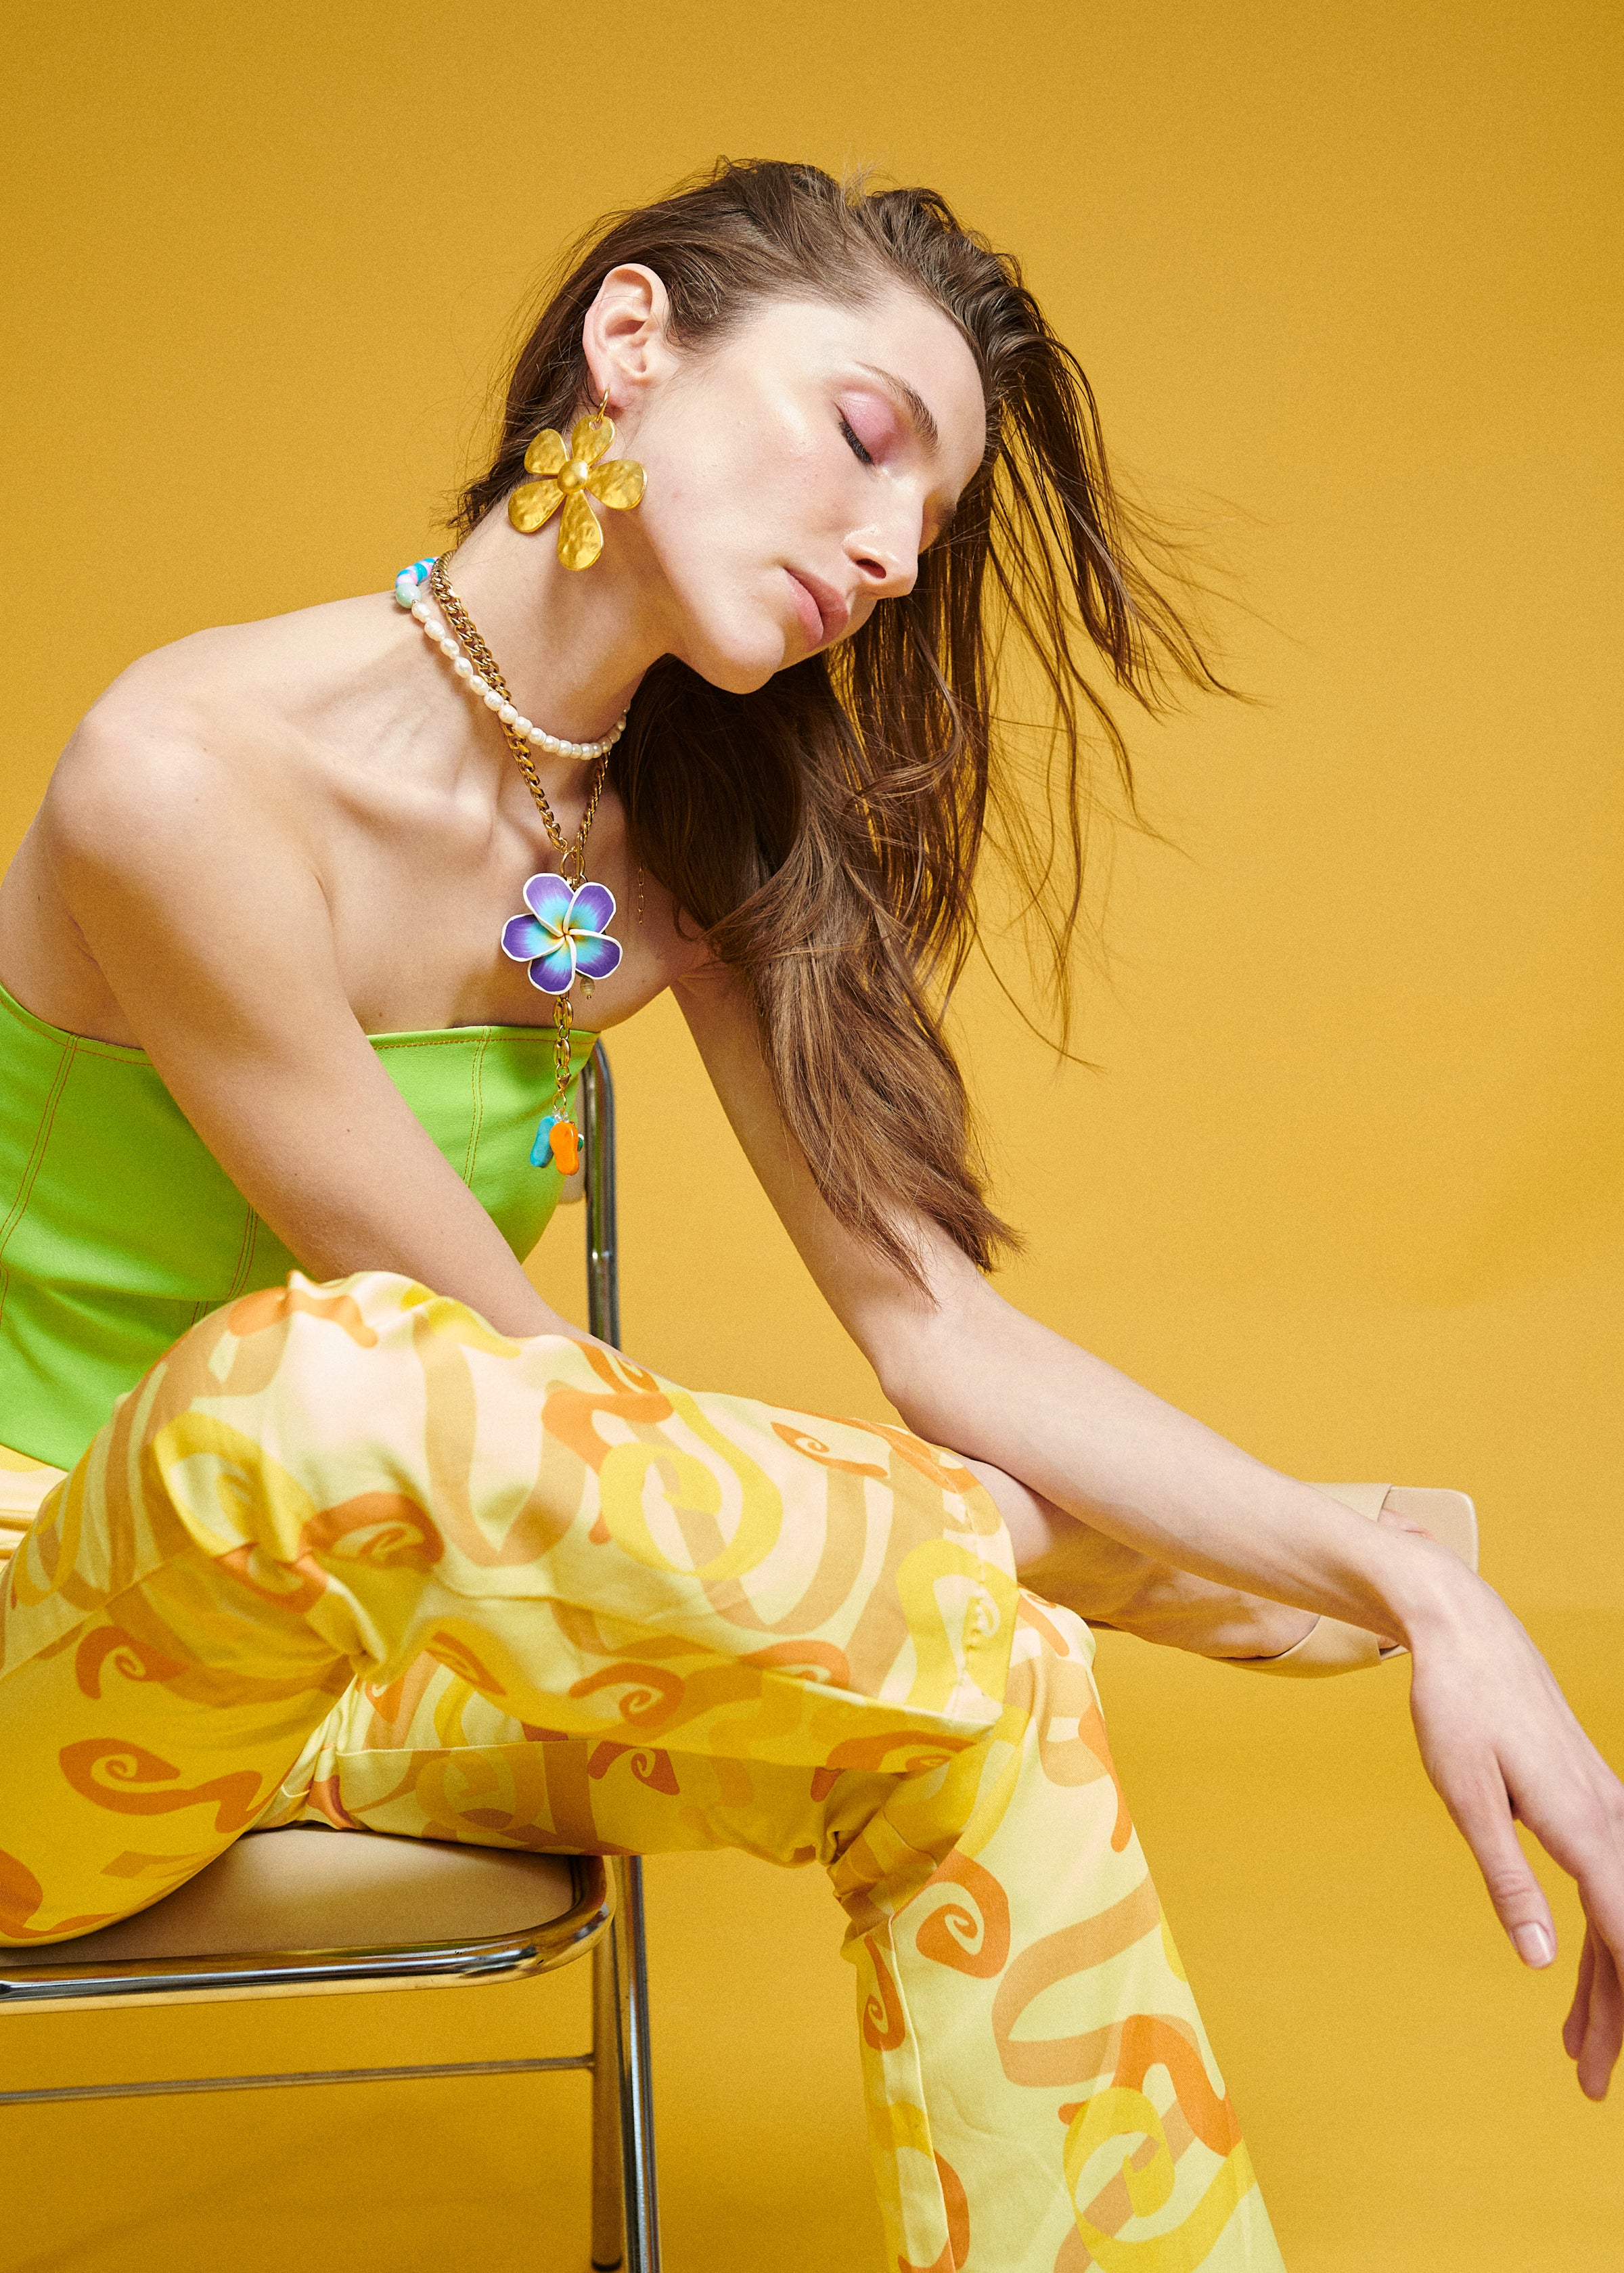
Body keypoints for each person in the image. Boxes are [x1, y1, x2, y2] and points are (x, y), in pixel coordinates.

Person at [0, 160, 1618, 2272]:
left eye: (929, 521)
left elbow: (936, 1334)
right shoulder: (182, 774)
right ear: (633, 341)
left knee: (990, 1684)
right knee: (327, 1384)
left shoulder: (682, 843)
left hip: (410, 1671)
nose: (889, 549)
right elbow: (485, 1390)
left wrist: (1431, 1608)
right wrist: (1234, 1556)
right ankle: (1146, 1563)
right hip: (61, 1683)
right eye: (866, 437)